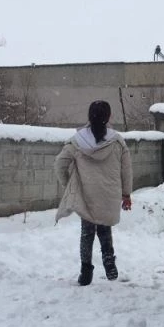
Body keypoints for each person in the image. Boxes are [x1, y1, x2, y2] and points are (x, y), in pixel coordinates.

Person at [54, 100, 133, 286]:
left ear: (89, 116)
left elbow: (59, 164)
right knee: (105, 228)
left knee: (87, 233)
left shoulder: (77, 141)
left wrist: (69, 186)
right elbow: (126, 169)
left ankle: (86, 272)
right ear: (109, 116)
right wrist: (126, 194)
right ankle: (109, 261)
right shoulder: (118, 142)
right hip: (109, 194)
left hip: (86, 193)